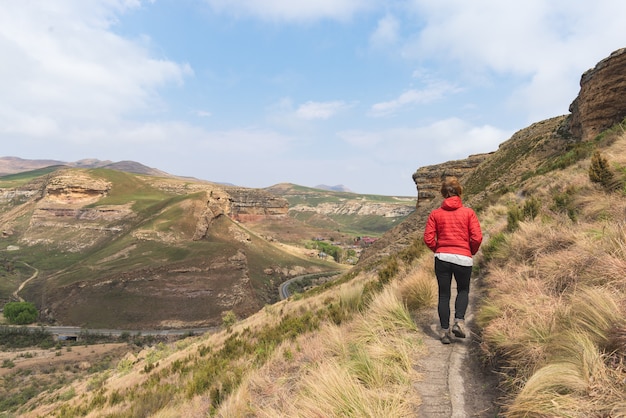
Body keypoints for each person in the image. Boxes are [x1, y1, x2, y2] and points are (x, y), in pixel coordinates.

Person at [423, 176, 482, 344]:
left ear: (443, 194)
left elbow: (428, 238)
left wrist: (439, 249)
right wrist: (470, 251)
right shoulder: (468, 213)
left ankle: (444, 332)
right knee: (462, 290)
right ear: (459, 192)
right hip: (463, 257)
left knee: (444, 294)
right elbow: (477, 237)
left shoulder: (436, 214)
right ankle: (459, 321)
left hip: (442, 258)